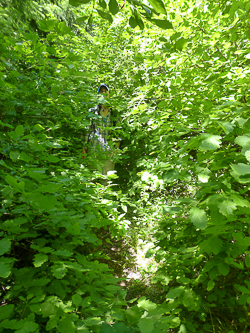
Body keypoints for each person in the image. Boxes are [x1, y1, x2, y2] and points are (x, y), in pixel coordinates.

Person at [82, 83, 121, 176]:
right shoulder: (92, 112)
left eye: (105, 91)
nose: (103, 93)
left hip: (109, 152)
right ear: (98, 95)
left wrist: (116, 150)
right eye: (101, 91)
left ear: (109, 94)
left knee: (107, 181)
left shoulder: (114, 113)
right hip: (93, 151)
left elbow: (118, 133)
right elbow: (86, 131)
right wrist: (84, 150)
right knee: (93, 180)